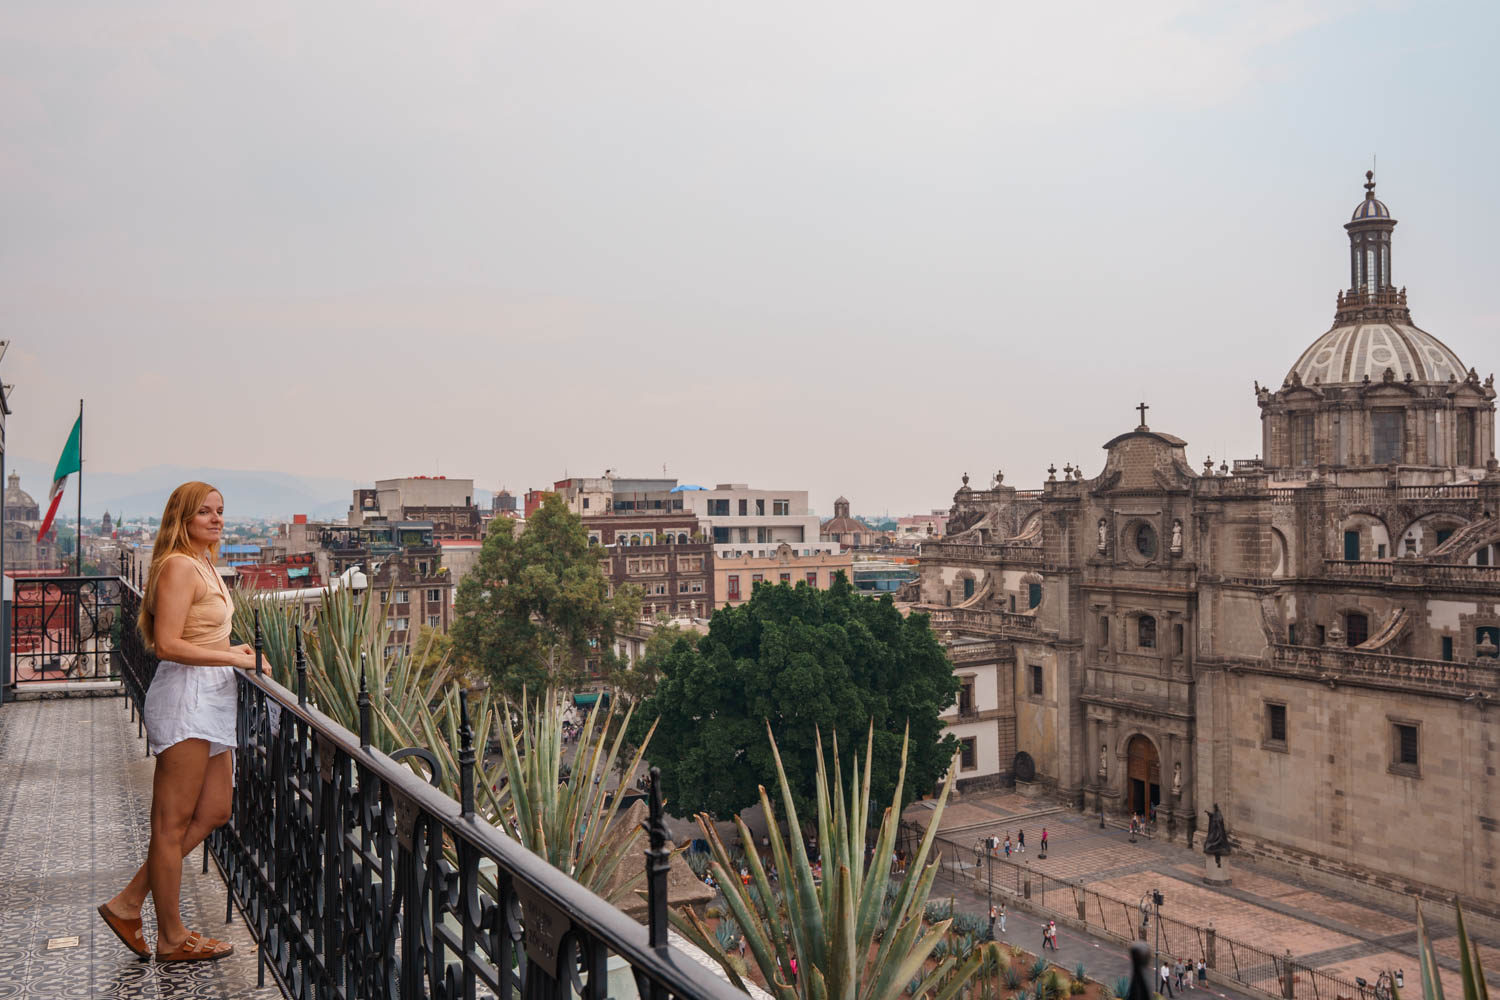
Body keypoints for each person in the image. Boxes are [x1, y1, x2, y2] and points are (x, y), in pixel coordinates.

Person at [98, 483, 256, 963]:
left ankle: (128, 902)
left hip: (212, 698)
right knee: (170, 826)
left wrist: (233, 657)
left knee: (214, 811)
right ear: (182, 518)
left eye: (220, 511)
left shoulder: (205, 561)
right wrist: (234, 657)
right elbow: (165, 644)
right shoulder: (179, 567)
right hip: (188, 697)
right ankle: (170, 936)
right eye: (203, 512)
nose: (215, 519)